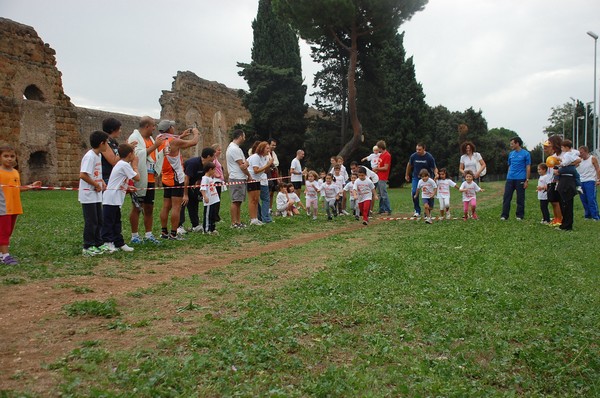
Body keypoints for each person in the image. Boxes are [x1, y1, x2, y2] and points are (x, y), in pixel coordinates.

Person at [157, 120, 200, 240]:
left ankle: (164, 232)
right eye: (172, 126)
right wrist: (196, 133)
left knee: (166, 206)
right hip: (176, 177)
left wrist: (181, 136)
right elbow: (193, 142)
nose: (173, 128)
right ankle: (173, 234)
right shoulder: (175, 141)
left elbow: (170, 142)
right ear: (169, 128)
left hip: (165, 176)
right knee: (176, 207)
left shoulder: (159, 139)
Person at [0, 145, 41, 265]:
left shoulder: (15, 172)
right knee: (4, 231)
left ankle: (2, 254)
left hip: (15, 206)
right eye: (6, 156)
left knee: (8, 231)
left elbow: (17, 188)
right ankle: (6, 256)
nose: (9, 159)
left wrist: (31, 186)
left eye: (12, 156)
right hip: (3, 207)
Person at [127, 116, 164, 245]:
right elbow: (137, 155)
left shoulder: (151, 139)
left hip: (150, 178)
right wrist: (155, 146)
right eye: (153, 125)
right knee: (137, 207)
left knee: (149, 207)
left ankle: (148, 234)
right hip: (140, 178)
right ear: (147, 126)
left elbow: (154, 155)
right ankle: (134, 235)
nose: (155, 128)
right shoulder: (135, 138)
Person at [101, 144, 139, 253]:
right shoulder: (124, 164)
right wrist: (135, 165)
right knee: (109, 222)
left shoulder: (121, 164)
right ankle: (107, 243)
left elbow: (118, 181)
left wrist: (127, 187)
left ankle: (119, 242)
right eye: (134, 153)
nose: (135, 155)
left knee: (117, 222)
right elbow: (137, 177)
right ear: (130, 154)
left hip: (116, 199)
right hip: (111, 199)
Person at [79, 130, 110, 256]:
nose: (107, 145)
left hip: (96, 194)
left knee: (99, 220)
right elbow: (83, 175)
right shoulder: (90, 156)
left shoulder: (99, 155)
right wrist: (96, 185)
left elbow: (96, 173)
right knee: (91, 221)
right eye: (106, 143)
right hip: (88, 194)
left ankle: (98, 243)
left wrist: (101, 182)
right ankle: (88, 246)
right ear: (101, 143)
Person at [180, 147, 216, 233]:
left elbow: (200, 178)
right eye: (213, 156)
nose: (214, 158)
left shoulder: (206, 166)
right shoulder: (193, 163)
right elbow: (186, 178)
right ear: (208, 156)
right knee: (183, 202)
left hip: (192, 186)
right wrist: (185, 195)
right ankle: (179, 226)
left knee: (193, 201)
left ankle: (195, 225)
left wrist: (198, 187)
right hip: (182, 184)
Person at [500, 136, 530, 221]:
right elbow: (510, 166)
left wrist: (527, 180)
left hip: (520, 178)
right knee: (506, 197)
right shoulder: (511, 154)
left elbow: (528, 167)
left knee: (520, 198)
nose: (511, 145)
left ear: (517, 143)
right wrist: (508, 176)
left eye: (512, 144)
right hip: (510, 179)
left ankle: (519, 215)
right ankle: (504, 215)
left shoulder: (526, 154)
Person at [405, 143, 438, 218]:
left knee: (429, 193)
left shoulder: (429, 157)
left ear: (424, 149)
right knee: (414, 192)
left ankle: (427, 212)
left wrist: (436, 174)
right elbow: (409, 165)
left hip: (427, 178)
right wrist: (406, 174)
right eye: (416, 149)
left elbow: (434, 167)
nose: (418, 151)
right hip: (416, 177)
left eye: (419, 150)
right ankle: (417, 210)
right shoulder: (413, 156)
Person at [226, 129, 250, 228]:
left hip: (240, 177)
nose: (245, 138)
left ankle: (238, 222)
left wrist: (246, 164)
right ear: (240, 136)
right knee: (235, 201)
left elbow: (244, 163)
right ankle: (233, 223)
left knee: (239, 201)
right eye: (244, 136)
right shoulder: (233, 149)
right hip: (236, 177)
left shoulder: (237, 148)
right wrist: (249, 175)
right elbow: (242, 166)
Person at [247, 141, 274, 225]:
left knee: (256, 200)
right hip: (252, 179)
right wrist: (268, 164)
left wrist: (268, 165)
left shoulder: (263, 157)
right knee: (253, 200)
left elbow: (263, 170)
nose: (269, 150)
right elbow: (255, 170)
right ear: (262, 148)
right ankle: (253, 219)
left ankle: (256, 218)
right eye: (267, 148)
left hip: (258, 180)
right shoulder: (256, 157)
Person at [543, 137, 563, 226]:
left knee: (556, 202)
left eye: (547, 147)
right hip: (550, 182)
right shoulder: (550, 158)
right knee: (552, 201)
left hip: (556, 182)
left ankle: (559, 219)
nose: (545, 149)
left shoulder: (557, 157)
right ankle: (556, 218)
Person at [577, 145, 600, 220]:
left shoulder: (592, 158)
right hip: (581, 181)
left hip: (590, 180)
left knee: (591, 199)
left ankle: (595, 216)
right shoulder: (579, 160)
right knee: (583, 199)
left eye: (582, 153)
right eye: (579, 153)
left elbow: (597, 169)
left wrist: (598, 179)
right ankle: (587, 215)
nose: (580, 154)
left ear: (586, 152)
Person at [200, 162, 220, 235]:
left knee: (213, 215)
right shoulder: (205, 178)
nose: (214, 171)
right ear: (210, 170)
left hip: (214, 200)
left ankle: (212, 228)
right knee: (208, 215)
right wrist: (205, 196)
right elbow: (203, 188)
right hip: (209, 201)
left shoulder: (210, 178)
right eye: (214, 170)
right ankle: (206, 229)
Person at [100, 117, 122, 184]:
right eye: (119, 128)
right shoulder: (104, 142)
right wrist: (125, 150)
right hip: (106, 177)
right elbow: (113, 161)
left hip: (112, 176)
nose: (120, 131)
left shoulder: (114, 143)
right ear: (112, 129)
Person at [373, 140, 392, 215]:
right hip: (378, 176)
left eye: (378, 148)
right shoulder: (381, 155)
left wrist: (377, 169)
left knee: (383, 194)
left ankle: (388, 209)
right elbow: (379, 165)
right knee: (380, 194)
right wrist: (375, 170)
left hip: (383, 177)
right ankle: (381, 209)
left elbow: (386, 167)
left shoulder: (387, 155)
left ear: (381, 148)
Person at [211, 143, 224, 223]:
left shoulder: (216, 159)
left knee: (218, 199)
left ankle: (216, 215)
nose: (220, 152)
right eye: (218, 150)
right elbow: (211, 168)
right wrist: (216, 174)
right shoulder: (213, 160)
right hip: (215, 181)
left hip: (218, 180)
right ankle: (215, 217)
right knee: (216, 199)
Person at [267, 139, 280, 210]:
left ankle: (270, 208)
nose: (274, 146)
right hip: (268, 176)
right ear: (268, 145)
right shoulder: (266, 154)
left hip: (274, 176)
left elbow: (276, 166)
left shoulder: (274, 154)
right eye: (272, 145)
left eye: (275, 145)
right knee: (268, 193)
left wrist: (278, 177)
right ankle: (266, 208)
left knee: (272, 193)